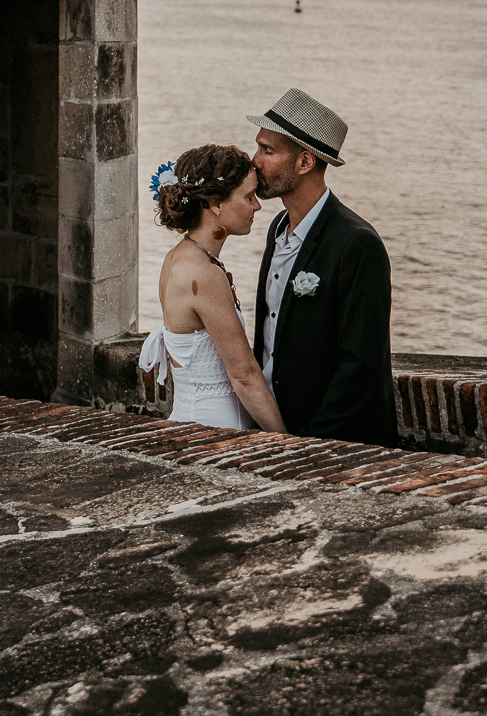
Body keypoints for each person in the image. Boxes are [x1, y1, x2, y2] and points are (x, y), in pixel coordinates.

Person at [249, 88, 397, 447]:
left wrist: (311, 440)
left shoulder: (357, 243)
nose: (254, 160)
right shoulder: (278, 228)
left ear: (304, 162)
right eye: (258, 147)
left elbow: (361, 366)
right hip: (275, 432)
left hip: (337, 445)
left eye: (268, 151)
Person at [139, 144, 286, 433]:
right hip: (217, 430)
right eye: (248, 196)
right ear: (216, 204)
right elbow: (244, 377)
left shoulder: (176, 258)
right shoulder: (204, 274)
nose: (257, 205)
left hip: (190, 420)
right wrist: (288, 443)